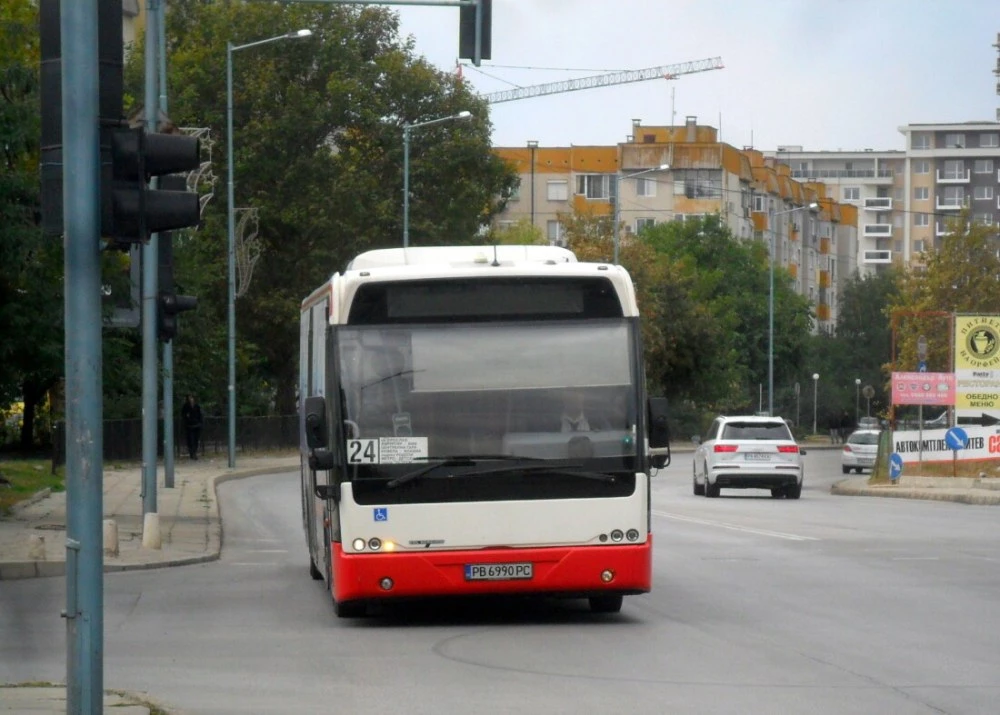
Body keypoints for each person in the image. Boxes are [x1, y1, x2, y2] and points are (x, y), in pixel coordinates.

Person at [181, 394, 203, 460]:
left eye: (192, 397)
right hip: (189, 426)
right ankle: (192, 453)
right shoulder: (186, 406)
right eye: (189, 398)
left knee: (196, 440)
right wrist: (187, 419)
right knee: (191, 440)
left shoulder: (197, 406)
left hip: (197, 425)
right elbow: (183, 415)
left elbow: (200, 415)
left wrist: (200, 423)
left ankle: (194, 453)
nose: (191, 399)